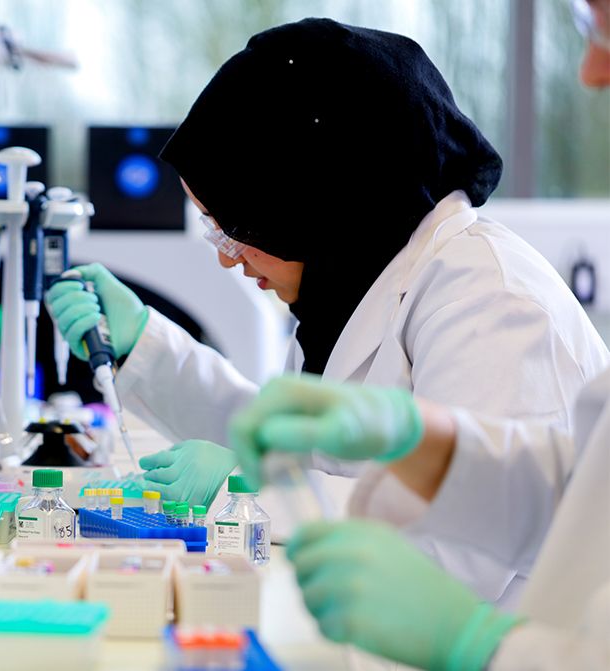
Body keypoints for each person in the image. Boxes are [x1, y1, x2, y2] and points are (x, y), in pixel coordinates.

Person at [46, 18, 609, 603]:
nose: (229, 259)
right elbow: (283, 448)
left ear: (314, 203)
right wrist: (145, 345)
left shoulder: (492, 303)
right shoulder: (360, 281)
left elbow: (459, 542)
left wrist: (249, 490)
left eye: (235, 229)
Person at [230, 5, 610, 667]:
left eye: (602, 30)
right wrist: (424, 442)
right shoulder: (364, 291)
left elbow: (469, 573)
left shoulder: (493, 294)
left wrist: (480, 645)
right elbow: (588, 495)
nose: (591, 71)